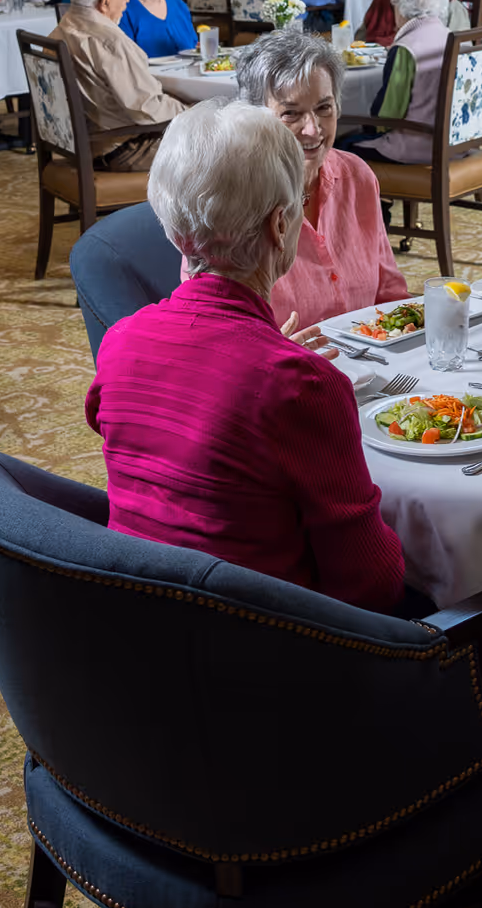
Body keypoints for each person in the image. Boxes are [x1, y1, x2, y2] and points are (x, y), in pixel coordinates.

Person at [85, 102, 408, 610]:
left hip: (139, 627)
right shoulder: (301, 385)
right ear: (281, 226)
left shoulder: (119, 343)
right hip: (265, 652)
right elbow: (373, 585)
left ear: (173, 233)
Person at [233, 25, 408, 325]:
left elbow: (389, 294)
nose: (313, 129)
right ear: (254, 119)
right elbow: (213, 328)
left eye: (324, 108)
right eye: (290, 113)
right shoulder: (229, 202)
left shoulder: (357, 177)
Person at [55, 0, 186, 170]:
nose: (127, 0)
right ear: (106, 1)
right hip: (122, 151)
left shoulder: (62, 29)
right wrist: (197, 111)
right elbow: (148, 109)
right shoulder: (110, 42)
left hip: (78, 149)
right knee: (227, 145)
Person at [351, 0, 457, 167]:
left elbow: (389, 114)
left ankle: (374, 197)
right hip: (456, 144)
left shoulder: (406, 47)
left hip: (416, 147)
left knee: (339, 145)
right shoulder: (451, 36)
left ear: (399, 8)